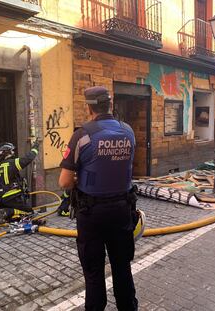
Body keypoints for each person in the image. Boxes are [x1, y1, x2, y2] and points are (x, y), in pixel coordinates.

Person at [58, 86, 138, 310]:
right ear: (109, 105)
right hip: (122, 210)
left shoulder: (82, 135)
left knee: (94, 273)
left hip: (92, 214)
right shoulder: (128, 132)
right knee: (122, 268)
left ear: (89, 107)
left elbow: (64, 182)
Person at [0, 140, 39, 223]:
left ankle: (4, 211)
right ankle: (7, 212)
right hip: (13, 197)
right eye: (11, 151)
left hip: (3, 198)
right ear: (7, 152)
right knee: (30, 213)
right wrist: (35, 148)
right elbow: (27, 159)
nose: (13, 152)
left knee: (19, 214)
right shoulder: (11, 163)